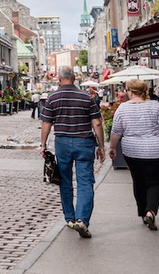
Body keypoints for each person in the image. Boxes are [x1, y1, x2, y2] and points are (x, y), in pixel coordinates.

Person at [39, 65, 106, 239]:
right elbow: (97, 123)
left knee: (65, 180)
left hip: (62, 142)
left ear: (59, 79)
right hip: (84, 142)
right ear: (75, 78)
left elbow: (46, 123)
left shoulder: (52, 98)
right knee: (85, 181)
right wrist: (101, 146)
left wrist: (43, 145)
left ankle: (69, 218)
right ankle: (82, 219)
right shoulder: (86, 97)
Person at [108, 79, 159, 231]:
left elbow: (116, 131)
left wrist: (112, 147)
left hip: (132, 151)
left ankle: (143, 214)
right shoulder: (155, 106)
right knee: (155, 182)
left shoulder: (122, 108)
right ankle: (151, 211)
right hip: (156, 151)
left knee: (138, 181)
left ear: (129, 91)